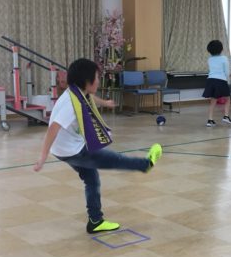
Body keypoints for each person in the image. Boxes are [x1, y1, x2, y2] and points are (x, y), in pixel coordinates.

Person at [34, 58, 162, 234]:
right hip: (74, 151)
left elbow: (90, 97)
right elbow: (53, 128)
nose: (99, 81)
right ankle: (146, 164)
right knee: (115, 159)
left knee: (91, 179)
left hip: (64, 149)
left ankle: (95, 221)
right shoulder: (72, 103)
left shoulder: (77, 92)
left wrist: (105, 103)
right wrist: (42, 158)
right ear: (87, 81)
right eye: (96, 77)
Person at [203, 39, 231, 127]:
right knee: (228, 99)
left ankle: (210, 120)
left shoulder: (210, 59)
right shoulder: (224, 58)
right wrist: (228, 78)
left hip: (210, 81)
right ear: (221, 49)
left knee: (213, 101)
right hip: (221, 81)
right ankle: (226, 116)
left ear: (209, 50)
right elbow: (226, 71)